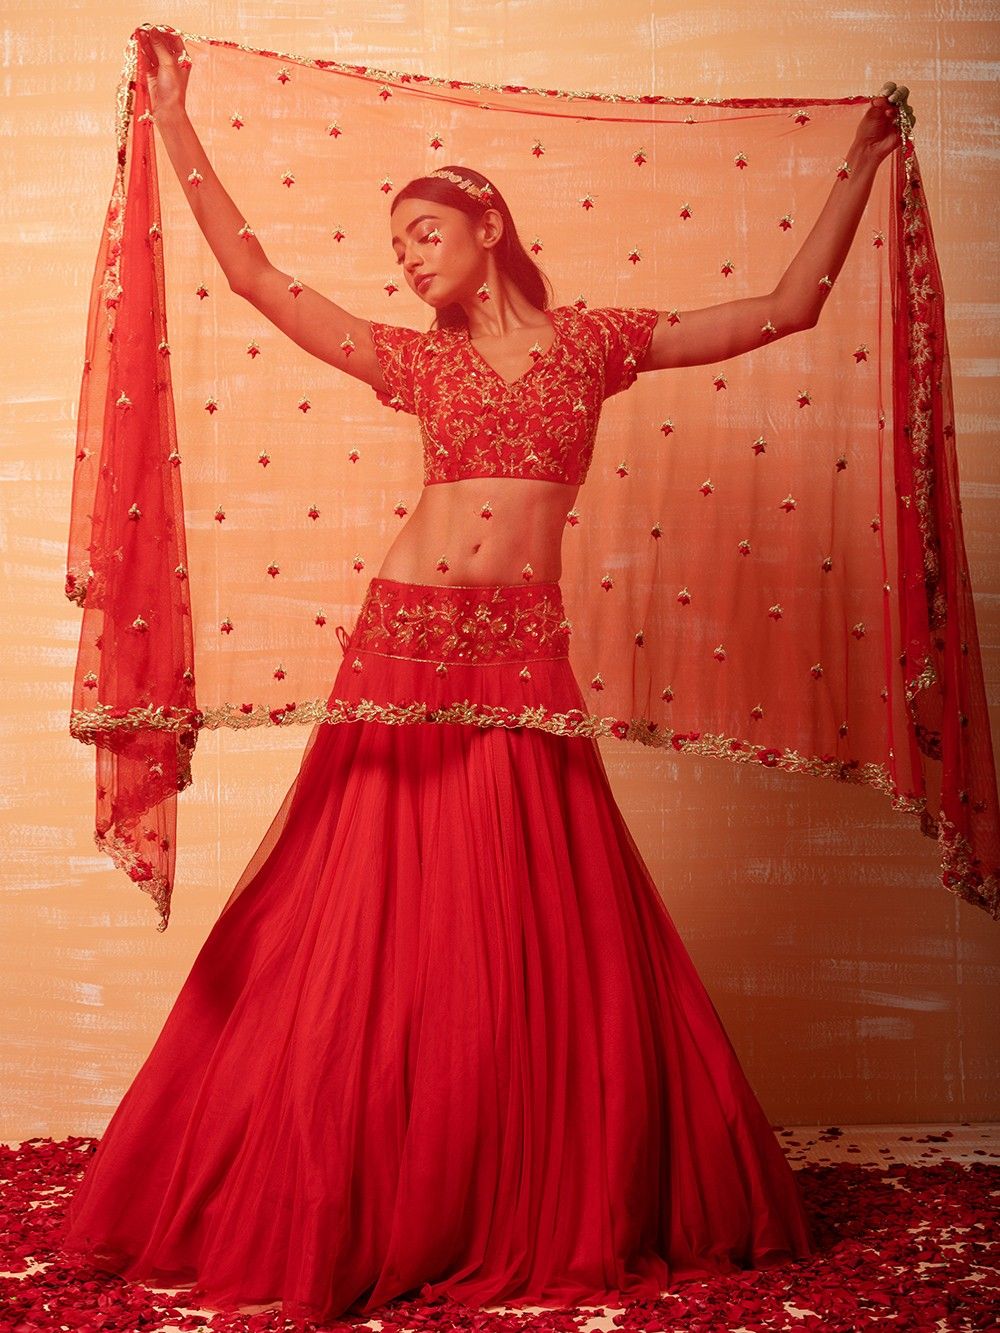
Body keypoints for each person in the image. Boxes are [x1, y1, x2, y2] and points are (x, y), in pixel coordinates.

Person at [55, 23, 915, 1326]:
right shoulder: (421, 364)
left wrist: (862, 163)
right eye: (396, 244)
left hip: (520, 648)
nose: (406, 256)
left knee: (531, 917)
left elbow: (784, 308)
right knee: (359, 912)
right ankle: (354, 1183)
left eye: (421, 229)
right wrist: (172, 122)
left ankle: (490, 1184)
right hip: (402, 640)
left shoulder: (596, 344)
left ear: (488, 220)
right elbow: (254, 277)